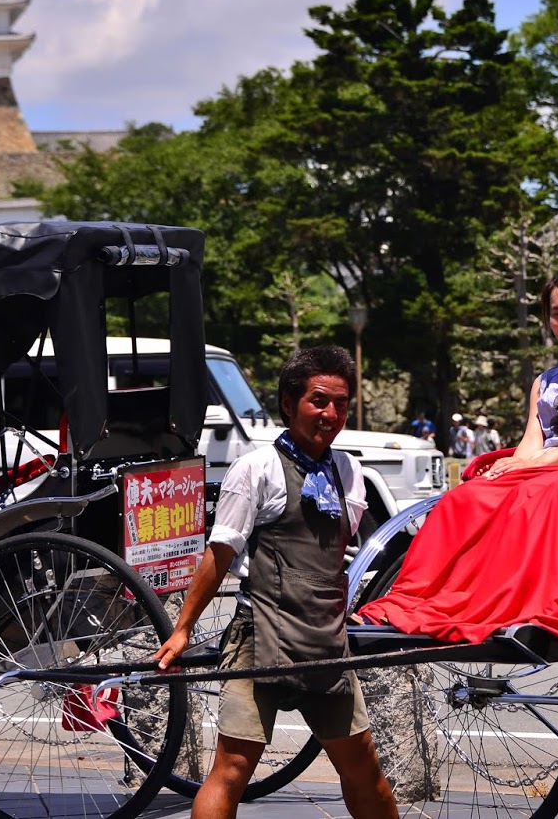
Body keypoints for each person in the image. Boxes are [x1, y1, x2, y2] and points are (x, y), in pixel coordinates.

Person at [156, 346, 398, 819]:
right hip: (259, 634)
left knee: (362, 766)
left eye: (341, 404)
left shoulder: (350, 472)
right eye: (319, 401)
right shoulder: (255, 468)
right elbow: (219, 554)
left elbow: (334, 558)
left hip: (324, 641)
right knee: (233, 768)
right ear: (289, 404)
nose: (331, 415)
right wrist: (183, 629)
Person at [355, 269, 558, 657]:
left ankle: (515, 604)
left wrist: (532, 466)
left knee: (538, 493)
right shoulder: (545, 379)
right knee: (465, 497)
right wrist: (515, 464)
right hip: (546, 463)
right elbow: (532, 438)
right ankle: (427, 599)